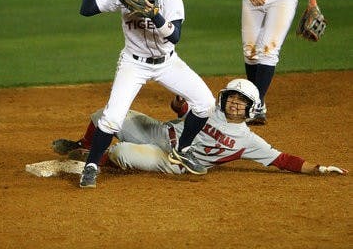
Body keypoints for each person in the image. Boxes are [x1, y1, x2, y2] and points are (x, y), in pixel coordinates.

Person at [78, 0, 216, 188]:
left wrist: (154, 14)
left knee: (206, 103)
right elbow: (87, 9)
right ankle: (91, 167)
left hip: (168, 63)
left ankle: (183, 149)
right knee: (112, 119)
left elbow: (175, 37)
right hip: (134, 64)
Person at [52, 79, 348, 177]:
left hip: (173, 162)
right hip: (159, 132)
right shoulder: (209, 109)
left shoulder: (249, 140)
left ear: (250, 109)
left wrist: (319, 168)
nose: (234, 104)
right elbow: (187, 112)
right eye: (231, 98)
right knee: (107, 113)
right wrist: (179, 107)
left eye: (241, 102)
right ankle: (85, 145)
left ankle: (101, 160)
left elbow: (283, 160)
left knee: (122, 152)